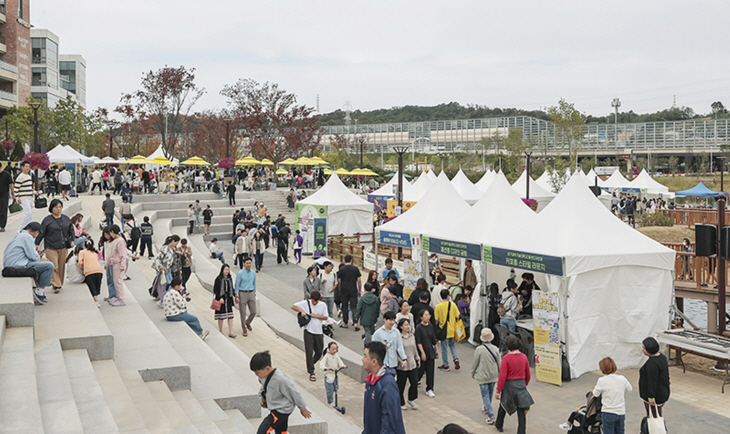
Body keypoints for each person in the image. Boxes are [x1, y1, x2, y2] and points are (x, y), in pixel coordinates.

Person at [250, 350, 312, 434]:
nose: (256, 375)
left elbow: (294, 393)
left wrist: (302, 408)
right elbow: (264, 388)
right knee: (281, 430)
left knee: (262, 431)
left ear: (267, 368)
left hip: (281, 410)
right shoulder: (263, 376)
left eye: (257, 372)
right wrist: (262, 399)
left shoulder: (281, 379)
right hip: (275, 406)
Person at [568, 357, 632, 434]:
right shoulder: (622, 379)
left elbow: (595, 394)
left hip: (608, 412)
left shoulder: (602, 381)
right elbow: (630, 389)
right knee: (620, 431)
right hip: (621, 412)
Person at [2, 222, 53, 305]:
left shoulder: (20, 236)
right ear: (36, 232)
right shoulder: (27, 237)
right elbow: (33, 256)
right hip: (17, 265)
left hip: (11, 264)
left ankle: (40, 286)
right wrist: (40, 258)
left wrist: (36, 255)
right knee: (49, 266)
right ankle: (39, 291)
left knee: (43, 264)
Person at [362, 341, 406, 434]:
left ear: (374, 361)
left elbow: (389, 419)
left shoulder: (387, 384)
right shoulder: (370, 381)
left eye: (365, 356)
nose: (362, 359)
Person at [494, 335, 534, 434]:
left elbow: (502, 376)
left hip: (509, 386)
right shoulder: (524, 357)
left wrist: (498, 390)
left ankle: (499, 424)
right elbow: (528, 374)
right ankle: (521, 431)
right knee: (522, 411)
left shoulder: (506, 358)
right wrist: (524, 384)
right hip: (520, 385)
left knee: (504, 404)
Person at [35, 199, 75, 293]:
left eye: (60, 207)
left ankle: (59, 283)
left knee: (61, 266)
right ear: (51, 208)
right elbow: (41, 233)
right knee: (54, 266)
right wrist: (36, 243)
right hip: (50, 246)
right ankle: (56, 284)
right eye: (56, 207)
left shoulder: (65, 218)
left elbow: (71, 230)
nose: (58, 209)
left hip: (63, 246)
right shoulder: (47, 220)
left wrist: (72, 240)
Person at [291, 291, 329, 382]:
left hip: (319, 331)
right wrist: (302, 311)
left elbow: (326, 317)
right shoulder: (306, 303)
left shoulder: (323, 305)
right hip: (308, 331)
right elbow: (293, 306)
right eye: (313, 300)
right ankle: (311, 371)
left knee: (319, 352)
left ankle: (310, 363)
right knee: (309, 351)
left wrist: (315, 315)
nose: (314, 303)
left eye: (316, 301)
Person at [472, 328, 501, 425]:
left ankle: (491, 415)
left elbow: (475, 363)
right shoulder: (496, 349)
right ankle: (486, 407)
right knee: (490, 392)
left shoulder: (479, 349)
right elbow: (499, 363)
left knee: (485, 395)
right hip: (493, 375)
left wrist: (473, 372)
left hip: (482, 376)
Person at [639, 337, 670, 418]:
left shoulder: (651, 365)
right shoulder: (662, 357)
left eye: (643, 348)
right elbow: (665, 371)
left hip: (655, 396)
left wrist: (651, 397)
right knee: (656, 414)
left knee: (655, 416)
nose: (642, 350)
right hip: (663, 391)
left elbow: (651, 381)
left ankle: (656, 429)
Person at [396, 318, 420, 411]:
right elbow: (396, 351)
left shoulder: (412, 336)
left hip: (412, 363)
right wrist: (400, 360)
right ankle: (401, 402)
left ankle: (411, 399)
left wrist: (417, 358)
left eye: (408, 324)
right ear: (401, 326)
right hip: (402, 365)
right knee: (401, 384)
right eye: (405, 325)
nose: (408, 327)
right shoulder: (398, 338)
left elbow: (415, 349)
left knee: (414, 382)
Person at [435, 289, 461, 371]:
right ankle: (455, 358)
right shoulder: (453, 305)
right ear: (447, 296)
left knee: (444, 347)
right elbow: (458, 316)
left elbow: (436, 319)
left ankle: (446, 365)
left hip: (443, 330)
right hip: (452, 329)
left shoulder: (438, 306)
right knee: (452, 345)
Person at [152, 235, 181, 302]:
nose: (177, 244)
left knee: (169, 284)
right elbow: (157, 259)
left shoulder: (172, 250)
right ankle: (163, 300)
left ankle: (166, 299)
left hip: (168, 269)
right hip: (162, 269)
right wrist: (161, 267)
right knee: (164, 285)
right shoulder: (165, 248)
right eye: (176, 242)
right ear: (173, 241)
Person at [105, 225, 128, 307]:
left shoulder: (121, 241)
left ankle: (121, 299)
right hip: (113, 263)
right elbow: (111, 253)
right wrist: (107, 263)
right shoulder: (115, 241)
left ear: (112, 232)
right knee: (115, 281)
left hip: (118, 264)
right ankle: (118, 298)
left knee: (118, 282)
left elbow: (123, 255)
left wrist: (122, 266)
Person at [337, 254, 361, 330]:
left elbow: (339, 281)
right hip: (353, 289)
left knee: (344, 306)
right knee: (354, 306)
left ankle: (346, 323)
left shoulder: (341, 269)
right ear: (351, 260)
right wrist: (359, 290)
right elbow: (359, 280)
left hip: (344, 289)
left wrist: (340, 289)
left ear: (345, 260)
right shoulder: (355, 269)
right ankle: (355, 322)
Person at [234, 257, 257, 337]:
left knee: (253, 312)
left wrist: (254, 292)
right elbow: (236, 285)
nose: (248, 265)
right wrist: (236, 296)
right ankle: (244, 329)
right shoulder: (240, 273)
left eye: (250, 263)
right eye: (247, 263)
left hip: (251, 293)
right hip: (242, 293)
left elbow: (254, 283)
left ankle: (248, 322)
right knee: (243, 313)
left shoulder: (253, 273)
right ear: (244, 264)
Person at [319, 342, 346, 407]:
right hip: (328, 375)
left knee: (336, 388)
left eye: (336, 349)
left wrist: (343, 366)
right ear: (329, 349)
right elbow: (321, 364)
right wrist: (326, 368)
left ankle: (334, 402)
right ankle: (330, 402)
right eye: (333, 349)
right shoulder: (327, 356)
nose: (334, 351)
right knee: (329, 390)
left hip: (334, 374)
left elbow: (340, 362)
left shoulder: (336, 356)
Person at [78, 240, 104, 307]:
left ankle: (96, 301)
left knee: (92, 287)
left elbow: (80, 262)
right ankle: (96, 298)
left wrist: (84, 267)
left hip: (89, 272)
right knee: (97, 287)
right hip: (98, 271)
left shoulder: (82, 252)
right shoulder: (95, 253)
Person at [213, 264, 237, 338]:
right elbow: (215, 290)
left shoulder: (229, 278)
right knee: (221, 316)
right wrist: (220, 297)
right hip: (221, 299)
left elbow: (231, 288)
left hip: (228, 299)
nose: (227, 271)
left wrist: (235, 296)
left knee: (230, 315)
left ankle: (231, 331)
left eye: (228, 270)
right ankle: (220, 330)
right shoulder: (218, 279)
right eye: (225, 270)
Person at [14, 161, 34, 230]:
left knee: (30, 214)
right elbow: (16, 188)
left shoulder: (28, 176)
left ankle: (26, 228)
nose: (28, 168)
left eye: (29, 166)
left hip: (29, 198)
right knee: (28, 213)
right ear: (22, 167)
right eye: (26, 166)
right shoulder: (20, 177)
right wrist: (17, 198)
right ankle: (21, 228)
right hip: (23, 198)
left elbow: (29, 187)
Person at [0, 163, 15, 232]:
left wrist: (13, 193)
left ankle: (2, 226)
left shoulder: (6, 174)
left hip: (4, 194)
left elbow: (11, 184)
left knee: (3, 210)